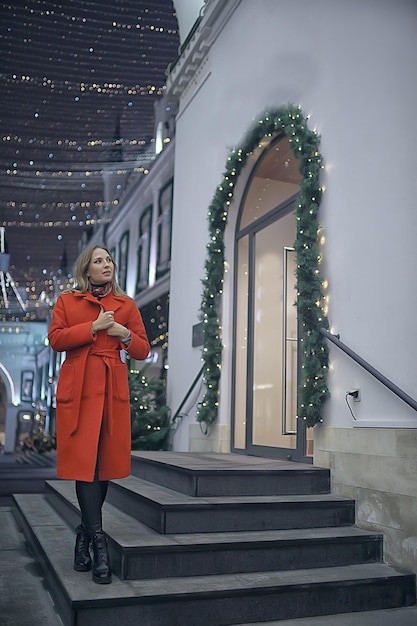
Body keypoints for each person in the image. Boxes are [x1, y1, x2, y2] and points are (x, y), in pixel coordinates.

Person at [48, 244, 150, 584]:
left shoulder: (127, 305)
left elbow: (144, 349)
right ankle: (99, 545)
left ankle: (83, 535)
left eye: (108, 260)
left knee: (102, 466)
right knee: (85, 466)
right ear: (86, 269)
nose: (106, 264)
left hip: (111, 392)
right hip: (78, 393)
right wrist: (92, 327)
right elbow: (56, 339)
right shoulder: (68, 301)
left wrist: (123, 334)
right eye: (98, 260)